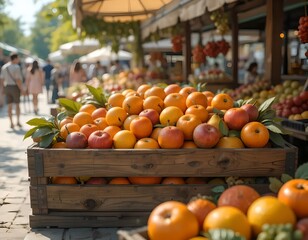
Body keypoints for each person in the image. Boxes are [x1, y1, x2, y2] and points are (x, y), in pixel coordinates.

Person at [0, 53, 24, 129]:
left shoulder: (4, 67)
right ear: (15, 58)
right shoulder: (16, 67)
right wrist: (22, 89)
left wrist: (3, 88)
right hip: (15, 87)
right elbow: (18, 80)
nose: (18, 60)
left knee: (9, 106)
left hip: (7, 87)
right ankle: (18, 121)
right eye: (18, 58)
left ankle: (11, 123)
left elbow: (2, 79)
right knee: (17, 105)